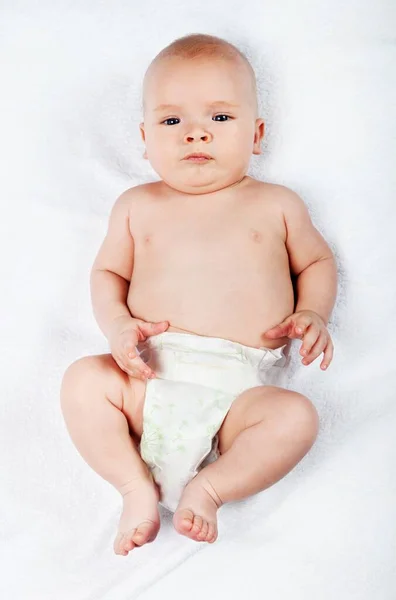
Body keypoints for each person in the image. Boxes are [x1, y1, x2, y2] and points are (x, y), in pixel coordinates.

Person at [60, 33, 337, 557]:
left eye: (219, 119)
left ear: (256, 134)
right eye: (172, 122)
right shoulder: (136, 205)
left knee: (296, 417)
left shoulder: (276, 203)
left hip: (239, 398)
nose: (195, 135)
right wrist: (118, 326)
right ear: (145, 140)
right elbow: (107, 275)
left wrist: (312, 312)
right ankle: (132, 485)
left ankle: (208, 489)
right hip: (148, 376)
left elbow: (317, 262)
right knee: (82, 380)